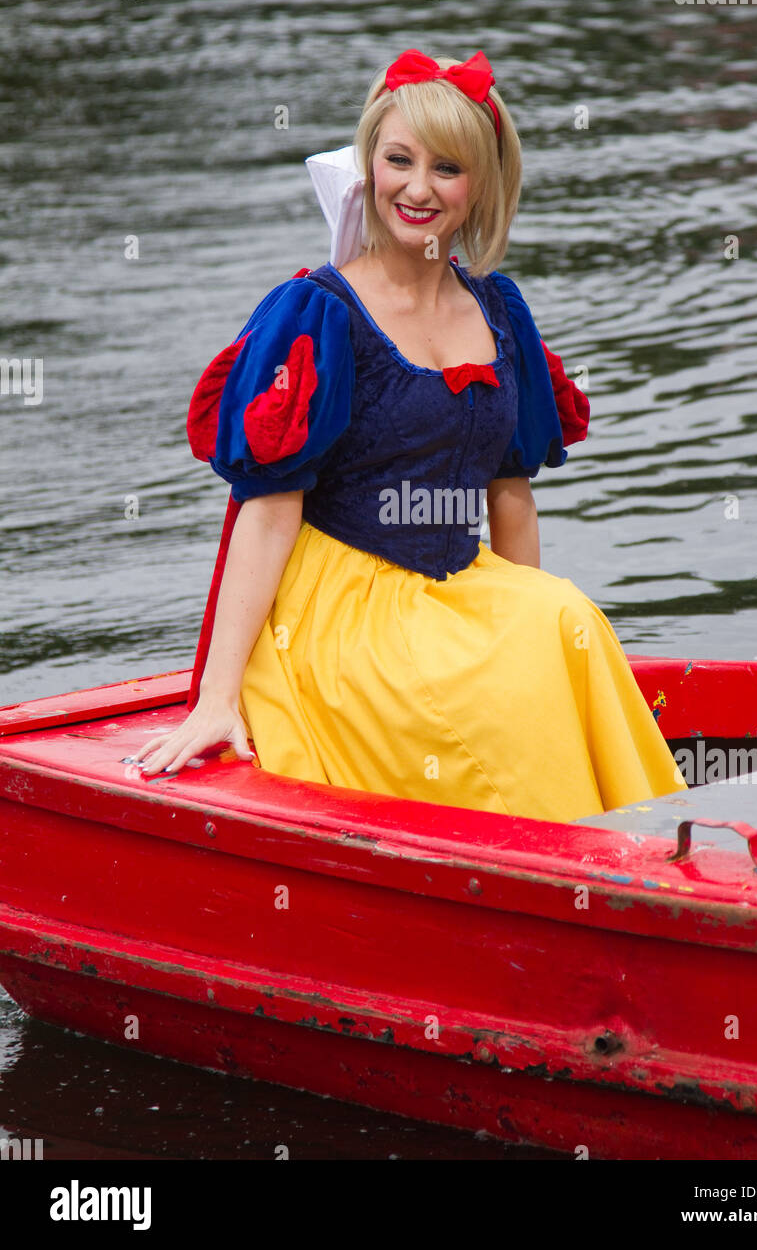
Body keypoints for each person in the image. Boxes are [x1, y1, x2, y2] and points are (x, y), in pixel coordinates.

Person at [135, 48, 684, 821]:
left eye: (447, 168)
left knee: (566, 619)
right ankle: (531, 863)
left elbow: (513, 500)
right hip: (339, 604)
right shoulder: (319, 312)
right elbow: (266, 512)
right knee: (488, 683)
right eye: (399, 160)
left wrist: (519, 628)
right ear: (371, 163)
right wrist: (218, 700)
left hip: (454, 581)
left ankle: (624, 852)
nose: (418, 188)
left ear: (482, 184)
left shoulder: (499, 312)